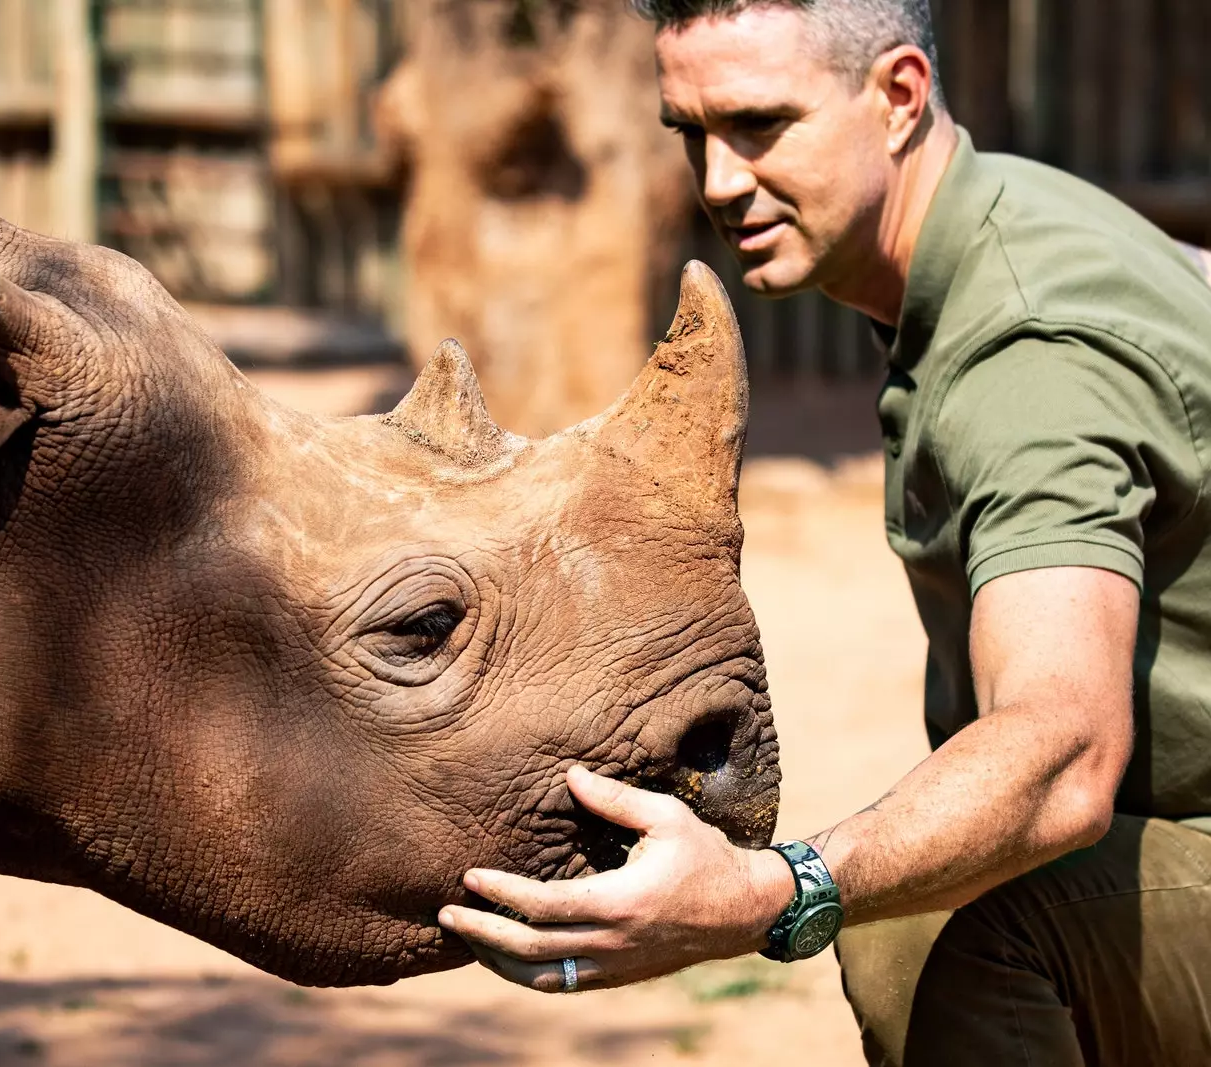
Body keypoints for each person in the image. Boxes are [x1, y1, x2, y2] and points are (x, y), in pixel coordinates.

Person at [434, 1, 1211, 1062]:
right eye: (690, 132)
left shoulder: (1025, 346)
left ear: (896, 97)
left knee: (934, 935)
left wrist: (774, 886)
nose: (716, 181)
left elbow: (1064, 753)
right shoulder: (1018, 222)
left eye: (759, 125)